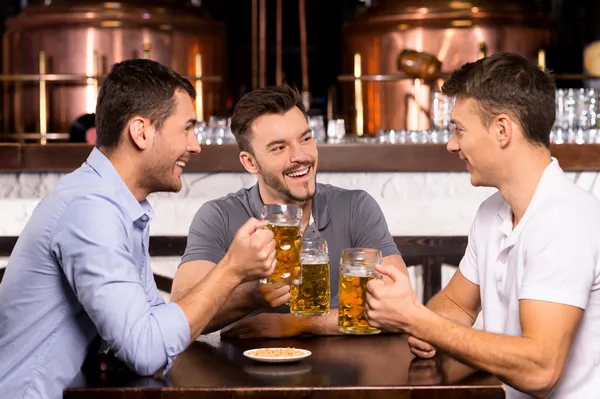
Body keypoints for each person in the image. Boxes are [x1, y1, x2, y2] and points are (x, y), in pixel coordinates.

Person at [0, 59, 278, 399]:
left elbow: (152, 329)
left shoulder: (117, 205)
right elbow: (147, 350)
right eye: (186, 129)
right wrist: (232, 270)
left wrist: (123, 347)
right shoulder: (91, 210)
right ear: (141, 131)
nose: (195, 145)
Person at [365, 52, 600, 398]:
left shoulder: (566, 219)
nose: (452, 144)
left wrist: (417, 319)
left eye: (459, 129)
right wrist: (421, 323)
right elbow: (458, 306)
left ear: (502, 130)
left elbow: (541, 370)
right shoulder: (493, 212)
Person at [171, 85, 408, 338]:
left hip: (344, 373)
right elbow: (180, 318)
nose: (300, 156)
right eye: (279, 148)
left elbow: (401, 305)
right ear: (250, 162)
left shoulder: (356, 207)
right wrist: (251, 295)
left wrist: (301, 324)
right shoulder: (219, 216)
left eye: (305, 139)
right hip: (243, 372)